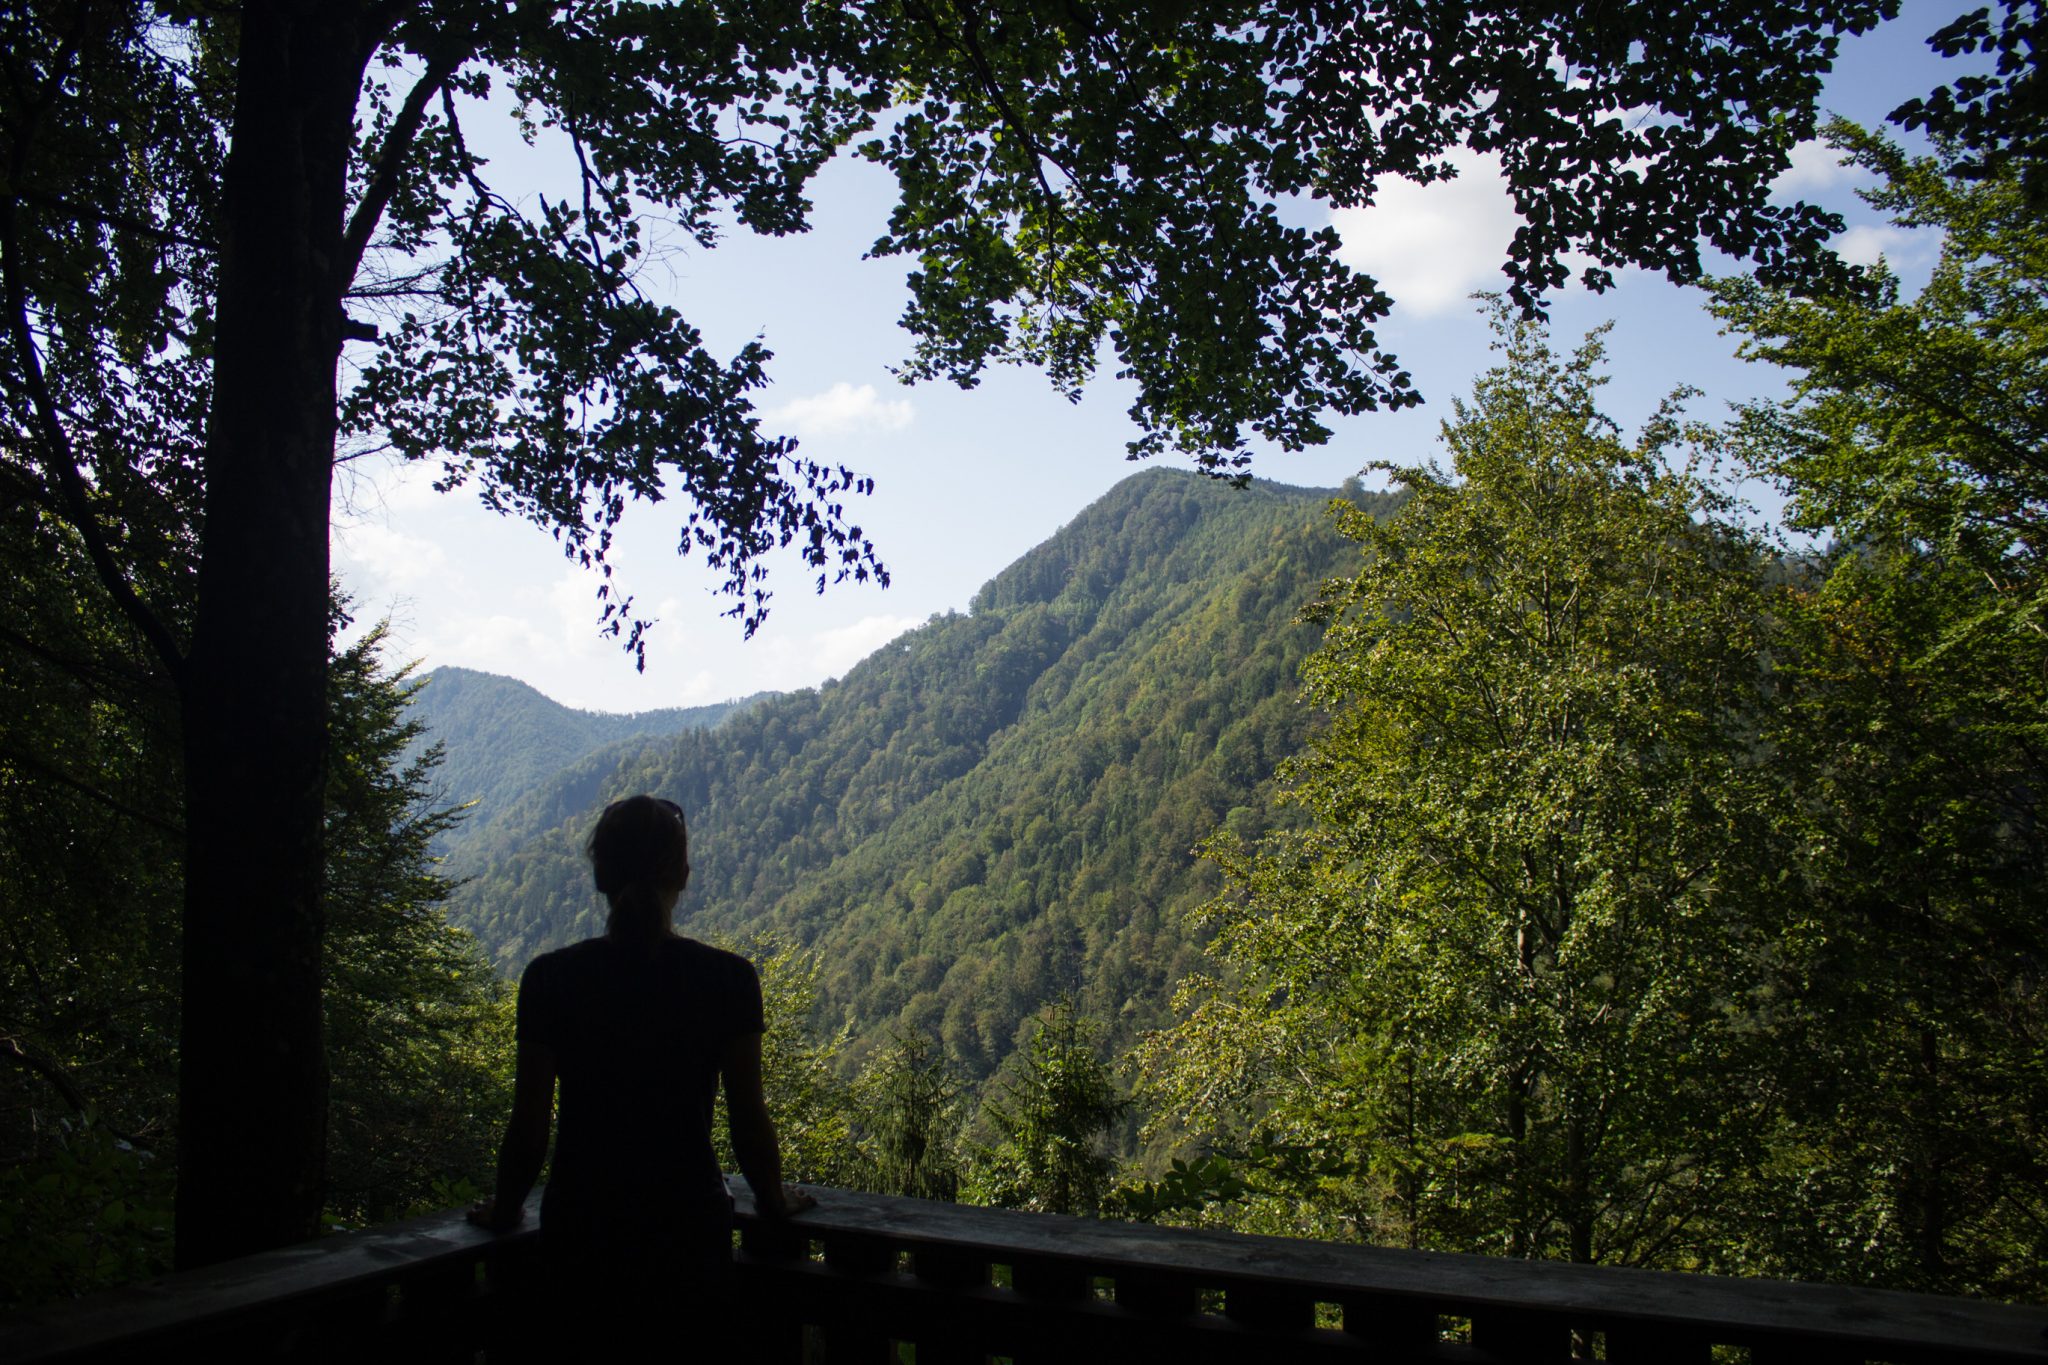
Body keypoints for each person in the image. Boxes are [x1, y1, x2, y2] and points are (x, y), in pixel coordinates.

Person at [468, 794, 813, 1342]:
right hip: (688, 1229)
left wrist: (507, 1208)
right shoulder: (728, 980)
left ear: (600, 874)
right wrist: (773, 1197)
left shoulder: (549, 980)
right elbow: (747, 1117)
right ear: (683, 873)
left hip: (580, 1230)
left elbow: (529, 1124)